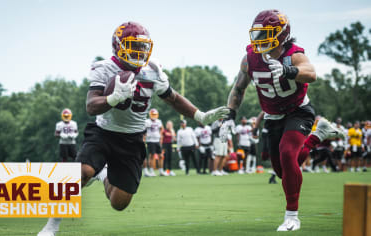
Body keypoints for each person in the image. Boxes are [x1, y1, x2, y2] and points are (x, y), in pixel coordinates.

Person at [38, 21, 229, 235]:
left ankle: (103, 174)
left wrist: (200, 115)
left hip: (133, 139)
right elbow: (91, 106)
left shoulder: (152, 69)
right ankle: (51, 226)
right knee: (82, 171)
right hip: (103, 132)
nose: (140, 51)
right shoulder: (104, 67)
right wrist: (112, 98)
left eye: (142, 46)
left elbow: (173, 99)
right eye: (134, 46)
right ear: (118, 46)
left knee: (118, 202)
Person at [219, 10, 345, 231]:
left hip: (298, 110)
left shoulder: (292, 54)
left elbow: (311, 73)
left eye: (265, 33)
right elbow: (238, 88)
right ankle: (317, 137)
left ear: (281, 33)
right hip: (272, 115)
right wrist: (230, 114)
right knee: (282, 170)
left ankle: (292, 217)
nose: (260, 39)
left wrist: (288, 70)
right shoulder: (250, 58)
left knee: (288, 153)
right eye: (258, 33)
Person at [144, 108, 165, 176]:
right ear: (150, 115)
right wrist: (145, 136)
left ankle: (161, 170)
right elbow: (143, 130)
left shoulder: (158, 121)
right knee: (152, 156)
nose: (154, 116)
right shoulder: (147, 121)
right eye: (152, 114)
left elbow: (162, 128)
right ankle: (151, 170)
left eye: (155, 114)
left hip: (157, 140)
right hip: (150, 140)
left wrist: (160, 135)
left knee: (161, 156)